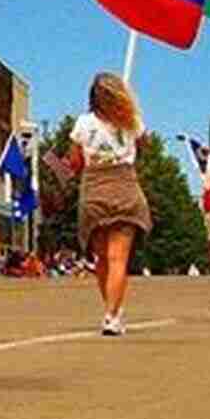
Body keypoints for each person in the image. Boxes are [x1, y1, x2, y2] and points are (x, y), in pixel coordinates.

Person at [67, 73, 153, 335]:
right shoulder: (132, 122)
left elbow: (75, 162)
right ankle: (112, 313)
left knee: (101, 258)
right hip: (125, 185)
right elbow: (145, 146)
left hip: (94, 188)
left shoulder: (83, 124)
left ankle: (111, 308)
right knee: (118, 258)